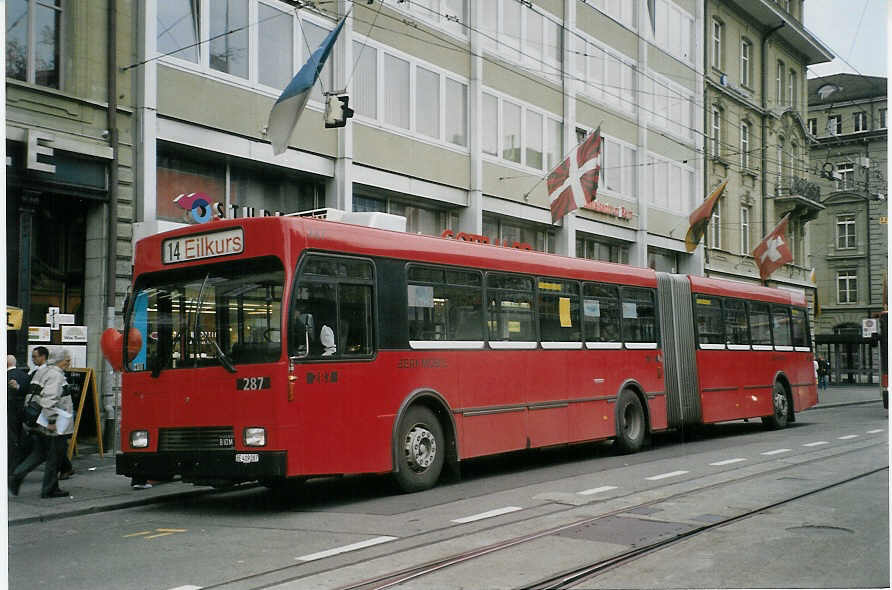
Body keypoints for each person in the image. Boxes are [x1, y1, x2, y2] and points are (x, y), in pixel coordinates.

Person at [9, 349, 75, 499]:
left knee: (40, 453)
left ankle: (16, 477)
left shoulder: (42, 372)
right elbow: (49, 400)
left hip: (37, 420)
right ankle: (49, 489)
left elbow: (31, 393)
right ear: (60, 360)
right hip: (54, 423)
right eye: (67, 360)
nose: (68, 363)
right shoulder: (56, 376)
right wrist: (51, 421)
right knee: (55, 456)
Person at [7, 355, 30, 472]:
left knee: (11, 439)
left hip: (9, 411)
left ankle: (11, 467)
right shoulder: (25, 376)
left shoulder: (6, 376)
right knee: (20, 437)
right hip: (22, 410)